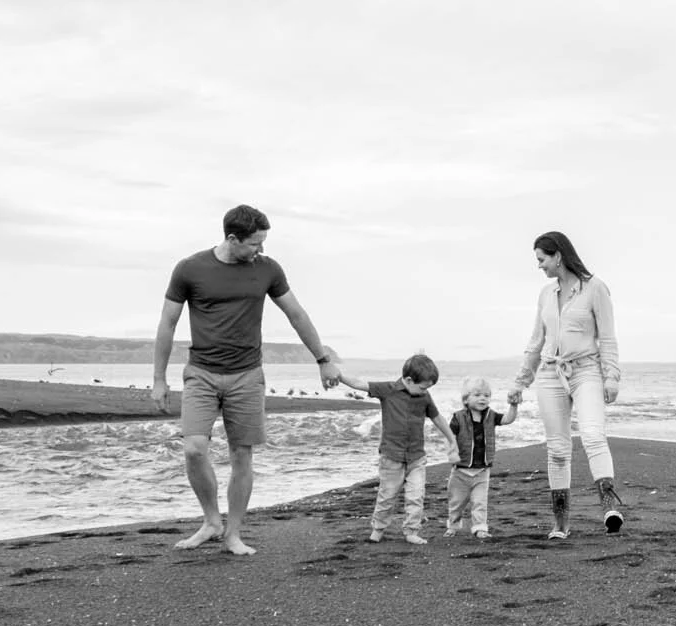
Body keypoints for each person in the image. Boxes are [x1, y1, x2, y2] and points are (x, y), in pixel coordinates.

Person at [151, 204, 342, 557]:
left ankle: (233, 533)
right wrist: (158, 379)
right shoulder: (190, 269)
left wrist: (323, 359)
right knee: (194, 449)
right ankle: (211, 521)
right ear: (232, 239)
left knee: (242, 454)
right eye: (255, 243)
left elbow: (296, 314)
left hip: (247, 375)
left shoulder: (268, 270)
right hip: (201, 373)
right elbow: (167, 324)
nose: (261, 250)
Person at [509, 230, 622, 539]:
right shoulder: (546, 294)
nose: (539, 266)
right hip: (549, 372)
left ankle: (609, 507)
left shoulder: (595, 289)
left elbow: (608, 337)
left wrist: (611, 376)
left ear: (558, 255)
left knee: (592, 435)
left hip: (586, 370)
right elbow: (536, 341)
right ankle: (561, 522)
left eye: (541, 259)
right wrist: (521, 381)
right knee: (558, 449)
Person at [359, 353, 455, 545]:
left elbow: (437, 418)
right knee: (387, 496)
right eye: (423, 387)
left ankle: (411, 531)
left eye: (427, 388)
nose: (425, 391)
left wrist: (451, 438)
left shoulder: (424, 397)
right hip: (391, 457)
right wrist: (336, 374)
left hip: (416, 457)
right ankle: (378, 528)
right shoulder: (388, 390)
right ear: (409, 380)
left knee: (416, 496)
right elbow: (361, 384)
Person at [445, 376, 525, 540]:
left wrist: (514, 405)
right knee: (456, 504)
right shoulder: (458, 417)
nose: (483, 398)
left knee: (480, 502)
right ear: (466, 399)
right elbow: (450, 436)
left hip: (482, 471)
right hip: (460, 472)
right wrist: (451, 452)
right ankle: (453, 525)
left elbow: (508, 419)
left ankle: (480, 528)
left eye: (486, 395)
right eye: (477, 395)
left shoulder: (491, 416)